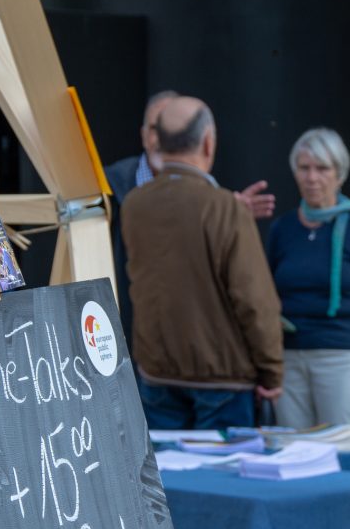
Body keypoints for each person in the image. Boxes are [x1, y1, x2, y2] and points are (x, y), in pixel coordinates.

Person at [122, 96, 283, 429]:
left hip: (156, 376)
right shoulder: (225, 208)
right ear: (208, 142)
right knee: (221, 480)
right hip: (223, 383)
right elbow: (254, 301)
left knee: (167, 480)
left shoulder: (135, 205)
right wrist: (272, 370)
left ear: (158, 142)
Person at [105, 91, 276, 350]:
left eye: (172, 131)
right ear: (142, 135)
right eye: (156, 129)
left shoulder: (215, 199)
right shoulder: (105, 187)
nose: (163, 141)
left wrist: (226, 218)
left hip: (192, 350)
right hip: (122, 341)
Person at [266, 127, 350, 431]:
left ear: (340, 174)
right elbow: (266, 296)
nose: (312, 178)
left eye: (322, 168)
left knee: (341, 449)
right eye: (304, 168)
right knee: (293, 450)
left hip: (344, 357)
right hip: (289, 358)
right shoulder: (282, 228)